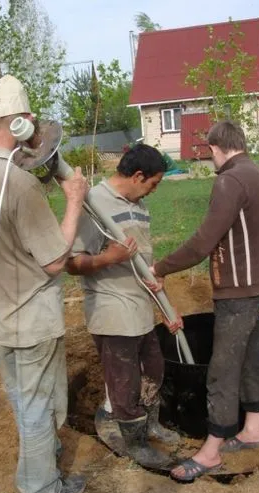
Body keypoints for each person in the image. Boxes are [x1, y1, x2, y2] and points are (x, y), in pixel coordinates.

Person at [0, 74, 89, 493]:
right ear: (23, 126)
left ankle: (39, 464)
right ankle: (41, 490)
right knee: (38, 404)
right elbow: (54, 262)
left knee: (21, 399)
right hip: (31, 319)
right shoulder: (19, 185)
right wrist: (73, 200)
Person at [150, 120, 259, 481]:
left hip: (238, 292)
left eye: (209, 152)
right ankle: (253, 429)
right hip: (255, 287)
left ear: (215, 148)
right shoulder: (258, 175)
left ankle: (211, 451)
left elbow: (202, 242)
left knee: (222, 370)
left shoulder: (229, 181)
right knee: (248, 356)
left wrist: (162, 267)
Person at [66, 144, 182, 469]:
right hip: (111, 310)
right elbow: (71, 263)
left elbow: (146, 260)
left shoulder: (140, 206)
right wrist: (109, 259)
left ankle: (150, 424)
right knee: (124, 382)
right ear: (137, 175)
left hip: (141, 308)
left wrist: (163, 296)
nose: (153, 192)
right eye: (153, 184)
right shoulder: (95, 204)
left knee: (154, 370)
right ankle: (136, 443)